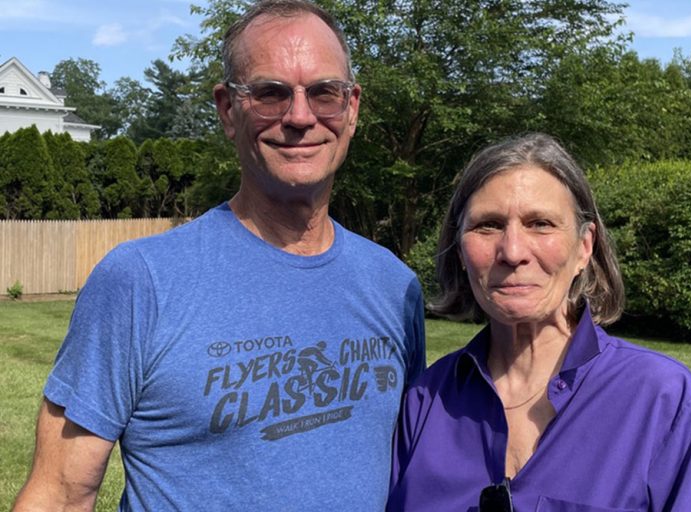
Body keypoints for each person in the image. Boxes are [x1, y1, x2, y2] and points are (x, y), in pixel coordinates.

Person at [13, 1, 425, 510]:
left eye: (324, 93)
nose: (301, 117)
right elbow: (58, 494)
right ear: (228, 110)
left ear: (352, 108)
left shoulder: (394, 286)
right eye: (271, 94)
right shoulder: (141, 282)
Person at [387, 133, 691, 511]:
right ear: (460, 250)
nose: (513, 251)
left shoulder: (661, 400)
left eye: (540, 223)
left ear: (585, 247)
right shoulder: (425, 401)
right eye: (488, 225)